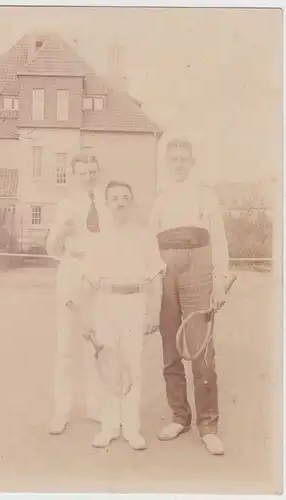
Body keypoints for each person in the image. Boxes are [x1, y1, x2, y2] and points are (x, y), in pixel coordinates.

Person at [150, 138, 229, 456]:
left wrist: (220, 280)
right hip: (166, 270)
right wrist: (155, 277)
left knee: (201, 349)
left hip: (198, 267)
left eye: (184, 159)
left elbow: (219, 239)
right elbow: (148, 244)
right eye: (174, 160)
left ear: (192, 162)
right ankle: (179, 416)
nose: (179, 164)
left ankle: (208, 426)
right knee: (170, 346)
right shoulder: (160, 199)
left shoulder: (205, 195)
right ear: (167, 163)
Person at [82, 181, 165, 450]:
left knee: (132, 366)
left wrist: (154, 310)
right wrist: (86, 317)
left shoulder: (144, 236)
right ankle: (109, 427)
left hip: (135, 304)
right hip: (106, 304)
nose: (120, 202)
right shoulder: (98, 239)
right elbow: (88, 281)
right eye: (114, 198)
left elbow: (155, 277)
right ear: (106, 204)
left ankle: (131, 428)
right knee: (109, 367)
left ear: (132, 203)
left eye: (125, 197)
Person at [46, 151, 107, 435]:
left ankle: (95, 406)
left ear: (98, 172)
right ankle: (62, 411)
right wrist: (62, 230)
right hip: (72, 272)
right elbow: (52, 249)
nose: (88, 177)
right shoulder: (66, 205)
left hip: (99, 277)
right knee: (67, 344)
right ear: (74, 175)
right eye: (83, 173)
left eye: (92, 172)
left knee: (97, 342)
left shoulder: (107, 203)